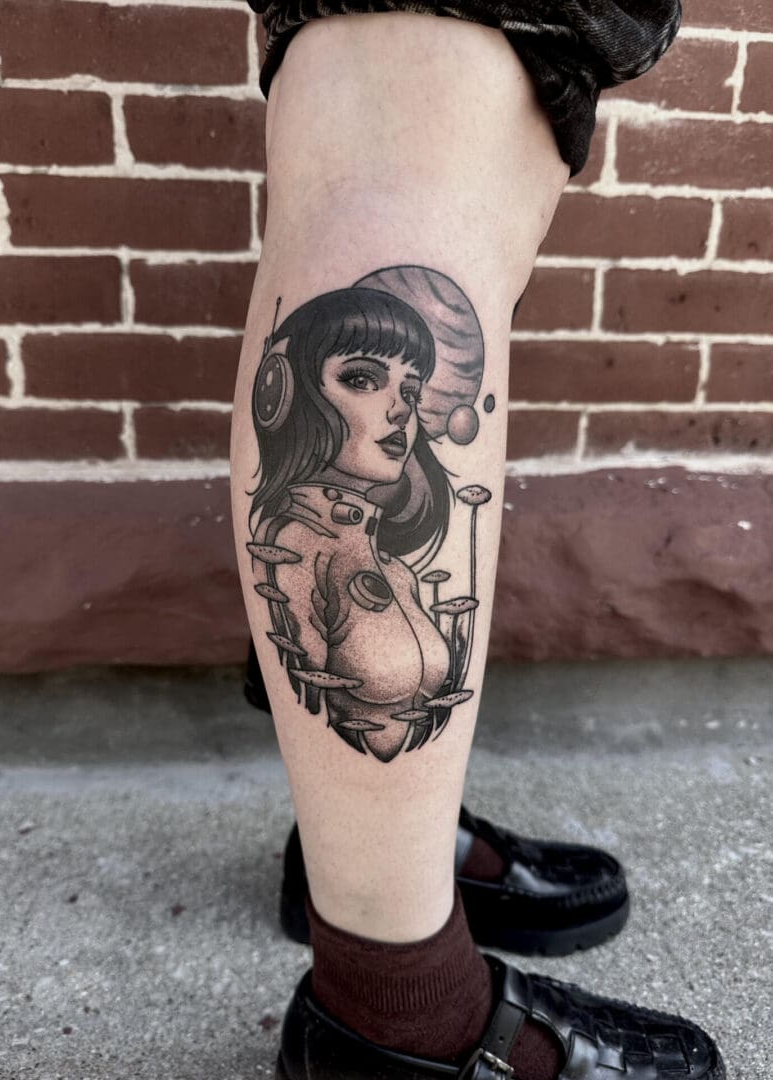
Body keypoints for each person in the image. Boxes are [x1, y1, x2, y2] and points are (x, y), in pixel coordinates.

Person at [230, 4, 725, 1077]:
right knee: (420, 91)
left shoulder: (373, 529)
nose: (403, 408)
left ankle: (360, 851)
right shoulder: (320, 547)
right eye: (366, 378)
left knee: (489, 140)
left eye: (409, 385)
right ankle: (391, 1006)